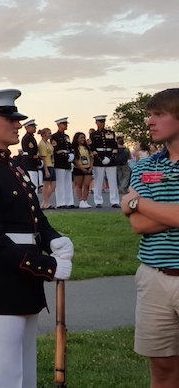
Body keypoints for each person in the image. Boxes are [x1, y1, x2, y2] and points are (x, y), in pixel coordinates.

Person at [0, 90, 73, 388]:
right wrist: (46, 267)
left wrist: (54, 240)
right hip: (0, 281)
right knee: (2, 371)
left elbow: (35, 216)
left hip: (23, 278)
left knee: (24, 368)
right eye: (10, 118)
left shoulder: (12, 166)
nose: (18, 125)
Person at [120, 88, 179, 387]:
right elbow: (138, 225)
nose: (149, 122)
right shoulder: (145, 166)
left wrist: (138, 203)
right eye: (149, 115)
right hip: (154, 277)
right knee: (163, 370)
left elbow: (136, 210)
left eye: (159, 114)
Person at [89, 115, 120, 208]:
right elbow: (92, 148)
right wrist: (100, 159)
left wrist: (110, 158)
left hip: (110, 158)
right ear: (96, 123)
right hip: (99, 158)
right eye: (100, 122)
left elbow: (115, 147)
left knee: (112, 181)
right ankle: (98, 201)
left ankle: (114, 201)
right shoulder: (93, 135)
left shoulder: (111, 133)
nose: (102, 124)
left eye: (103, 122)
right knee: (98, 180)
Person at [51, 117, 75, 209]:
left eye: (66, 124)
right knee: (60, 183)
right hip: (60, 162)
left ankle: (70, 202)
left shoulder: (66, 137)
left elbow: (70, 147)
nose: (66, 126)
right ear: (58, 125)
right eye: (64, 124)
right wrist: (67, 156)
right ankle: (61, 202)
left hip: (67, 162)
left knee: (68, 182)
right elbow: (56, 151)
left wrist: (72, 155)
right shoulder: (55, 137)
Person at [71, 132, 94, 209]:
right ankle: (81, 201)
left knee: (87, 185)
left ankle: (85, 200)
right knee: (79, 185)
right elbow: (74, 160)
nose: (83, 139)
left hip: (88, 167)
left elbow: (91, 157)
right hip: (79, 168)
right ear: (77, 139)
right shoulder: (74, 148)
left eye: (84, 137)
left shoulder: (87, 147)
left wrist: (91, 167)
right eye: (81, 138)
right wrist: (81, 168)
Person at [20, 120, 42, 190]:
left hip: (30, 161)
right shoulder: (28, 138)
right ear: (26, 128)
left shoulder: (31, 137)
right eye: (32, 126)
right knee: (32, 183)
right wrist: (38, 162)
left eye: (34, 126)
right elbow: (32, 153)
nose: (34, 128)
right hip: (29, 162)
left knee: (34, 182)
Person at [38, 128, 56, 210]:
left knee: (53, 185)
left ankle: (45, 202)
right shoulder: (42, 144)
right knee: (46, 185)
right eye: (49, 133)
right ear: (44, 134)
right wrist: (46, 170)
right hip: (47, 165)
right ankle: (46, 202)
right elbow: (43, 158)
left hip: (51, 165)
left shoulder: (48, 143)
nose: (50, 134)